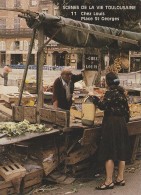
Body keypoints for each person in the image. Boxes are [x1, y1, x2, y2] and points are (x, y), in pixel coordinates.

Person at [91, 72, 131, 190]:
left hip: (111, 123)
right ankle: (120, 178)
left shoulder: (110, 93)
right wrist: (123, 122)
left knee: (109, 151)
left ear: (108, 82)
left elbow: (103, 106)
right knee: (121, 150)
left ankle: (109, 181)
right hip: (121, 123)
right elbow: (127, 111)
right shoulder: (122, 93)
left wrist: (94, 99)